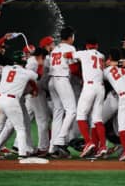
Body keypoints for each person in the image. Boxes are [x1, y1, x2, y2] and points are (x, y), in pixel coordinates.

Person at [64, 39, 107, 158]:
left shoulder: (83, 53)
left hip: (90, 86)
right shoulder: (101, 55)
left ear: (87, 45)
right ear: (97, 45)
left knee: (80, 115)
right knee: (97, 119)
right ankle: (103, 146)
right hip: (100, 87)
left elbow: (67, 55)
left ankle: (89, 142)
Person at [0, 51, 38, 159]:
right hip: (11, 101)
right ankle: (22, 154)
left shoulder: (6, 68)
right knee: (20, 128)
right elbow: (36, 77)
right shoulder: (27, 72)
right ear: (24, 60)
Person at [48, 26, 77, 156]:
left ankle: (52, 148)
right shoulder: (70, 48)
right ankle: (60, 140)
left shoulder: (55, 49)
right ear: (70, 37)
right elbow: (74, 68)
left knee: (58, 112)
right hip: (61, 80)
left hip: (52, 81)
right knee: (71, 110)